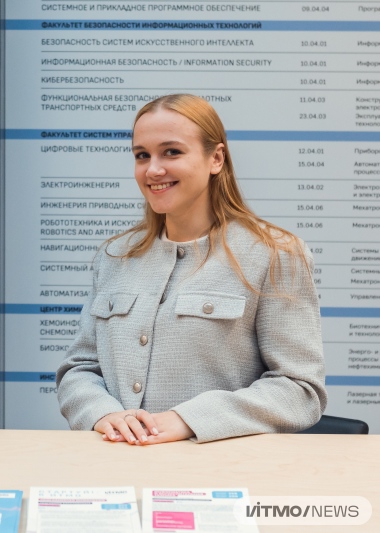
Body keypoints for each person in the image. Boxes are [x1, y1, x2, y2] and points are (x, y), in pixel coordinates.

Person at [56, 94, 326, 444]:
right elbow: (79, 369)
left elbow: (300, 389)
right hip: (117, 467)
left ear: (216, 158)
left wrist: (190, 419)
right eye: (142, 155)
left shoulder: (274, 254)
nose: (153, 169)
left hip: (221, 475)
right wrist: (103, 412)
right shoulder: (114, 256)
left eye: (171, 152)